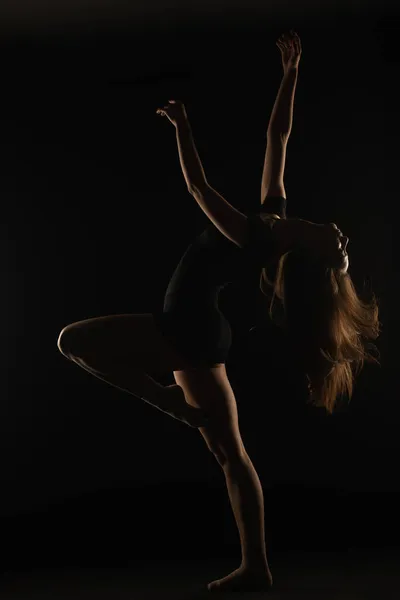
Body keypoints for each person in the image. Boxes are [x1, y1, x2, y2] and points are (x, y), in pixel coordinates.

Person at [57, 31, 380, 592]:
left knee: (72, 342)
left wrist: (183, 129)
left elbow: (200, 189)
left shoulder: (258, 238)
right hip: (202, 333)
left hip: (183, 329)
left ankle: (167, 403)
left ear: (315, 251)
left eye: (340, 248)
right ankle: (256, 565)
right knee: (232, 455)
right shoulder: (275, 216)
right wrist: (291, 74)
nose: (343, 237)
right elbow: (278, 136)